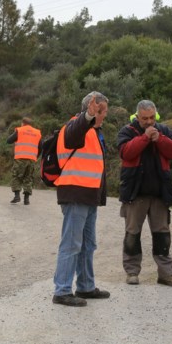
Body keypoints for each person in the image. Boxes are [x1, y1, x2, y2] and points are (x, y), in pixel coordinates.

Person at [52, 91, 111, 307]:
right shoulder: (76, 126)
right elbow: (73, 134)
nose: (104, 115)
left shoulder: (95, 132)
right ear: (91, 109)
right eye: (101, 111)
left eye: (104, 111)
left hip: (89, 196)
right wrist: (88, 115)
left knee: (88, 244)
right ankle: (62, 291)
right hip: (76, 194)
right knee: (71, 243)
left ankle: (85, 286)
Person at [117, 100, 172, 287]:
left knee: (163, 235)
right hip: (135, 194)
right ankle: (132, 273)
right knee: (132, 234)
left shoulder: (164, 131)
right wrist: (145, 138)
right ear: (137, 116)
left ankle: (166, 274)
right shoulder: (127, 131)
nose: (149, 122)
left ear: (156, 115)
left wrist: (159, 139)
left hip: (160, 194)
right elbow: (125, 153)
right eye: (145, 118)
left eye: (152, 118)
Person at [6, 117, 42, 205]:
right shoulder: (37, 132)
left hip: (20, 158)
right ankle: (26, 200)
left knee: (16, 176)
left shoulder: (20, 130)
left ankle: (17, 196)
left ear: (23, 123)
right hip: (32, 159)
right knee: (28, 178)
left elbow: (9, 140)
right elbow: (40, 147)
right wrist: (35, 156)